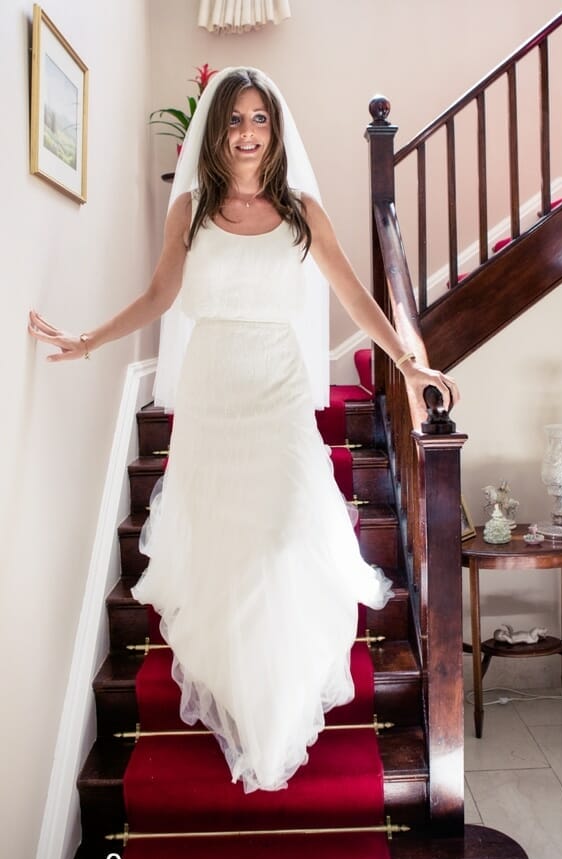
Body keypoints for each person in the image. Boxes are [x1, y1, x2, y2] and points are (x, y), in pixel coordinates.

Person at [27, 66, 458, 793]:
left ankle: (282, 695)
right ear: (218, 129)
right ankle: (243, 695)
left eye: (260, 119)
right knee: (228, 548)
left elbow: (355, 294)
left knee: (285, 534)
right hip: (214, 388)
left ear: (275, 128)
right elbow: (161, 295)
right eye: (236, 120)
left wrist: (410, 365)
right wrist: (93, 339)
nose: (249, 133)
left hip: (280, 389)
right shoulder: (191, 209)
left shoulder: (302, 212)